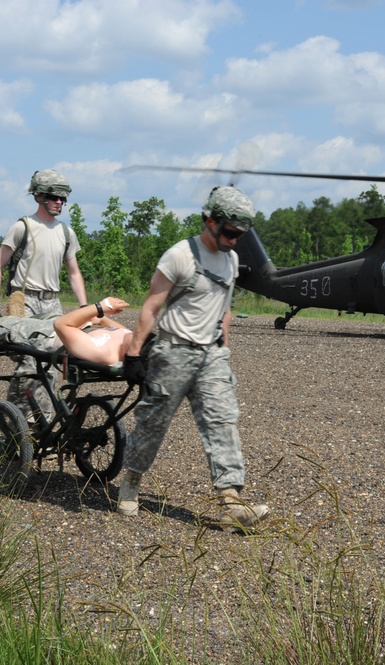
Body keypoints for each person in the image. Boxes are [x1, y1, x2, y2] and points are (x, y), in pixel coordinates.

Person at [116, 186, 270, 533]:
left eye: (240, 235)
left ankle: (231, 502)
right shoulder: (179, 256)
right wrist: (134, 354)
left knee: (223, 423)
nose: (234, 240)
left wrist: (225, 351)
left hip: (211, 356)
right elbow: (151, 307)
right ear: (210, 221)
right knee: (153, 423)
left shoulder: (231, 260)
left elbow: (224, 310)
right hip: (173, 352)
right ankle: (131, 483)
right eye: (230, 232)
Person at [0, 169, 88, 422]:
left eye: (63, 199)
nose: (60, 203)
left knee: (55, 361)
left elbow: (74, 273)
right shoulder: (23, 227)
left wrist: (86, 308)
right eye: (55, 197)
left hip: (52, 302)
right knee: (31, 362)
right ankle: (16, 424)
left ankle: (39, 425)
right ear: (39, 196)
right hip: (23, 301)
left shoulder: (66, 233)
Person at [0, 292, 132, 367]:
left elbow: (61, 326)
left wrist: (101, 306)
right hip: (73, 326)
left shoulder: (105, 353)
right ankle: (18, 317)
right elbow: (100, 320)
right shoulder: (129, 337)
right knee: (38, 319)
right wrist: (101, 314)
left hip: (51, 335)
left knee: (12, 327)